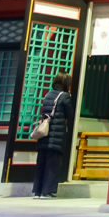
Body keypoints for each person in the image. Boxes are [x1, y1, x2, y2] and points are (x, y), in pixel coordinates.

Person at [32, 71, 74, 199]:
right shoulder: (65, 96)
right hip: (57, 135)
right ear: (66, 83)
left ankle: (38, 191)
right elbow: (70, 115)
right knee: (53, 164)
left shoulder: (48, 95)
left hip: (44, 134)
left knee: (41, 163)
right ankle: (47, 191)